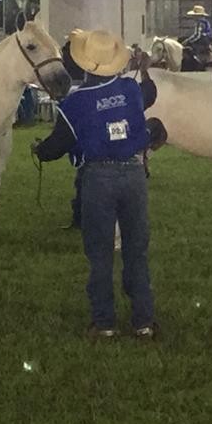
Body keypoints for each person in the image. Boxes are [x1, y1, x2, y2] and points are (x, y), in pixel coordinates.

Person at [33, 29, 166, 339]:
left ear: (84, 62)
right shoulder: (130, 90)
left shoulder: (76, 102)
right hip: (134, 175)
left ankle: (104, 323)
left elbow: (56, 147)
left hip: (98, 178)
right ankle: (144, 321)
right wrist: (145, 68)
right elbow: (150, 93)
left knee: (100, 253)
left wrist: (38, 149)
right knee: (136, 250)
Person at [57, 33, 88, 230]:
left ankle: (81, 218)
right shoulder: (128, 89)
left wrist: (43, 151)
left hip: (92, 159)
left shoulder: (76, 100)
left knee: (85, 182)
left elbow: (62, 137)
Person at [179, 5, 212, 70]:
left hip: (203, 41)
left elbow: (197, 35)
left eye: (194, 16)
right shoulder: (205, 22)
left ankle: (194, 64)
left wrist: (187, 41)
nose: (193, 17)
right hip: (208, 40)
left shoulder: (200, 23)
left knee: (188, 49)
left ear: (198, 16)